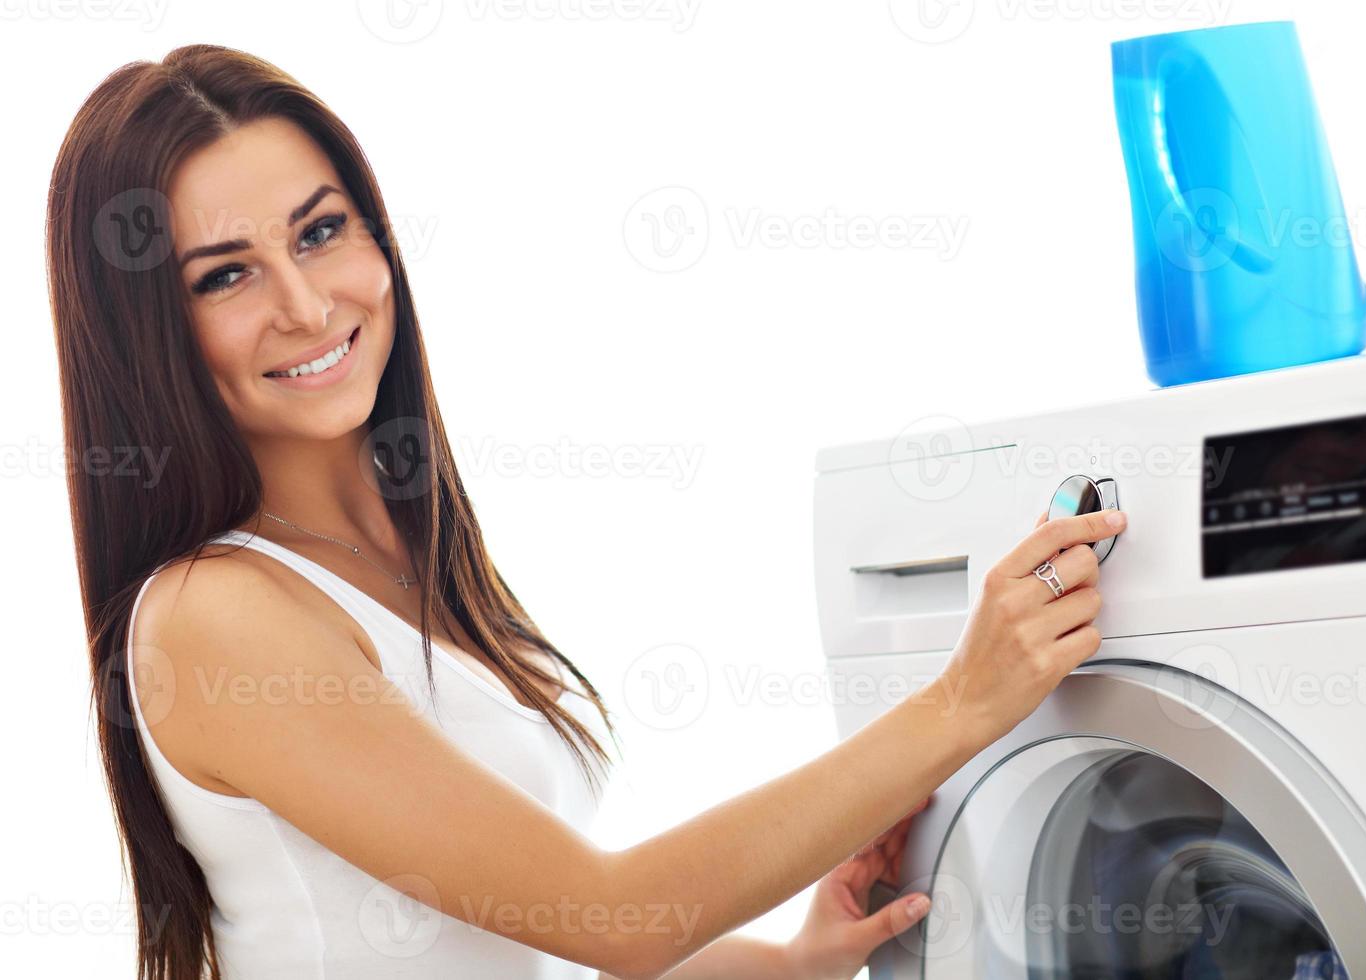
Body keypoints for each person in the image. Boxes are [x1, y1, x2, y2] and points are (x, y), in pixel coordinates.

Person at [48, 44, 1122, 980]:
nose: (306, 301)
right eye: (227, 274)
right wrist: (963, 703)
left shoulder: (397, 560)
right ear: (149, 331)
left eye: (321, 231)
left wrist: (790, 961)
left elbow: (527, 941)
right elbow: (618, 917)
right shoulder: (216, 615)